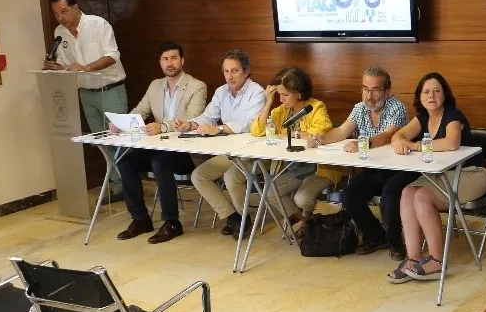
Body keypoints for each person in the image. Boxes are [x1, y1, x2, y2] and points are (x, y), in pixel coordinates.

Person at [386, 73, 486, 283]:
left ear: (444, 94)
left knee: (422, 196)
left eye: (436, 90)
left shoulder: (452, 114)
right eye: (426, 91)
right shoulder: (423, 117)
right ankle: (413, 258)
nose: (431, 95)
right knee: (407, 192)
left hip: (471, 174)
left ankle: (437, 260)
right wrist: (399, 141)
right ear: (420, 96)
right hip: (444, 175)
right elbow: (398, 135)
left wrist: (414, 145)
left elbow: (451, 143)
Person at [306, 66, 409, 258]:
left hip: (399, 169)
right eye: (365, 89)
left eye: (375, 90)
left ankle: (397, 244)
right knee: (349, 195)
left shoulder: (397, 107)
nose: (369, 96)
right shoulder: (360, 108)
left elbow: (388, 136)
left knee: (389, 197)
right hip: (375, 169)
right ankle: (377, 236)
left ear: (387, 91)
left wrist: (362, 143)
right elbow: (341, 131)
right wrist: (320, 138)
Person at [113, 42, 207, 243]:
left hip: (186, 151)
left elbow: (193, 118)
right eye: (165, 59)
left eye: (174, 58)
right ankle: (141, 219)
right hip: (159, 148)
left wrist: (162, 127)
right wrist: (122, 123)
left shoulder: (197, 86)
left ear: (182, 60)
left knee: (159, 162)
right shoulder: (155, 86)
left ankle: (172, 223)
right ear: (160, 63)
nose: (170, 63)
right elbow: (141, 110)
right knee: (124, 160)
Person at [231, 67, 346, 232]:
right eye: (279, 94)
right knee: (270, 192)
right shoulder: (282, 111)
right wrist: (268, 101)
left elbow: (321, 132)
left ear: (298, 93)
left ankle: (305, 222)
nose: (281, 99)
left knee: (301, 198)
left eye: (285, 95)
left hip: (319, 169)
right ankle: (306, 220)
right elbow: (257, 131)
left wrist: (294, 133)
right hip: (293, 168)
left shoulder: (316, 107)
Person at [45, 0, 129, 202]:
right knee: (103, 140)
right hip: (86, 93)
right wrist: (56, 67)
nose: (60, 17)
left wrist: (87, 67)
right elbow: (69, 66)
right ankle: (119, 187)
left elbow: (112, 55)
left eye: (63, 11)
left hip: (110, 89)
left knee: (121, 139)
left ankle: (131, 185)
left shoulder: (98, 25)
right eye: (56, 14)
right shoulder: (59, 33)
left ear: (75, 7)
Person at [181, 50, 265, 238]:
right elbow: (208, 116)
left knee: (230, 177)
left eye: (234, 71)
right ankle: (232, 216)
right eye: (226, 71)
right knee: (199, 176)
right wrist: (192, 124)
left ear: (246, 71)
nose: (229, 76)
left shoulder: (257, 92)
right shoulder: (221, 92)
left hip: (251, 153)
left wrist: (219, 129)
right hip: (229, 153)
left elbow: (251, 123)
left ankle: (244, 219)